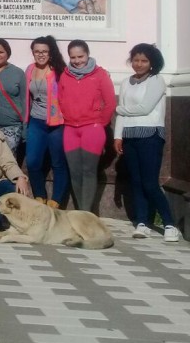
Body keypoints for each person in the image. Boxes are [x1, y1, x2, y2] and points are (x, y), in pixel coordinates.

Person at [114, 44, 181, 242]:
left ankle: (169, 224)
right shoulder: (126, 82)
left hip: (150, 136)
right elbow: (123, 113)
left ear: (152, 63)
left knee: (150, 183)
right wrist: (118, 136)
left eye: (144, 61)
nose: (139, 64)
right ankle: (142, 222)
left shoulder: (156, 80)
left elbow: (145, 108)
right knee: (136, 181)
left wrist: (118, 109)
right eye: (136, 60)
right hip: (130, 136)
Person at [59, 39, 116, 213]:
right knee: (75, 172)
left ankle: (86, 213)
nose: (77, 61)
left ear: (88, 54)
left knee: (89, 171)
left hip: (92, 129)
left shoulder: (100, 75)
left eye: (81, 56)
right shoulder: (65, 75)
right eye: (73, 57)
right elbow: (60, 99)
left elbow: (110, 103)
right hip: (70, 129)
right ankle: (80, 211)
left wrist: (99, 123)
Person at [24, 35, 68, 208]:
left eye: (44, 51)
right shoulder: (29, 69)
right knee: (33, 162)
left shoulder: (60, 70)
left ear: (51, 53)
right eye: (37, 51)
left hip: (57, 123)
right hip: (36, 121)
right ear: (33, 53)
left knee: (58, 163)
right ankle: (39, 196)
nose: (41, 54)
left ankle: (55, 201)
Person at [0, 38, 26, 156]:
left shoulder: (18, 73)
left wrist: (25, 127)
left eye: (1, 52)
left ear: (8, 53)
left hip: (12, 126)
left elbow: (25, 100)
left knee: (7, 159)